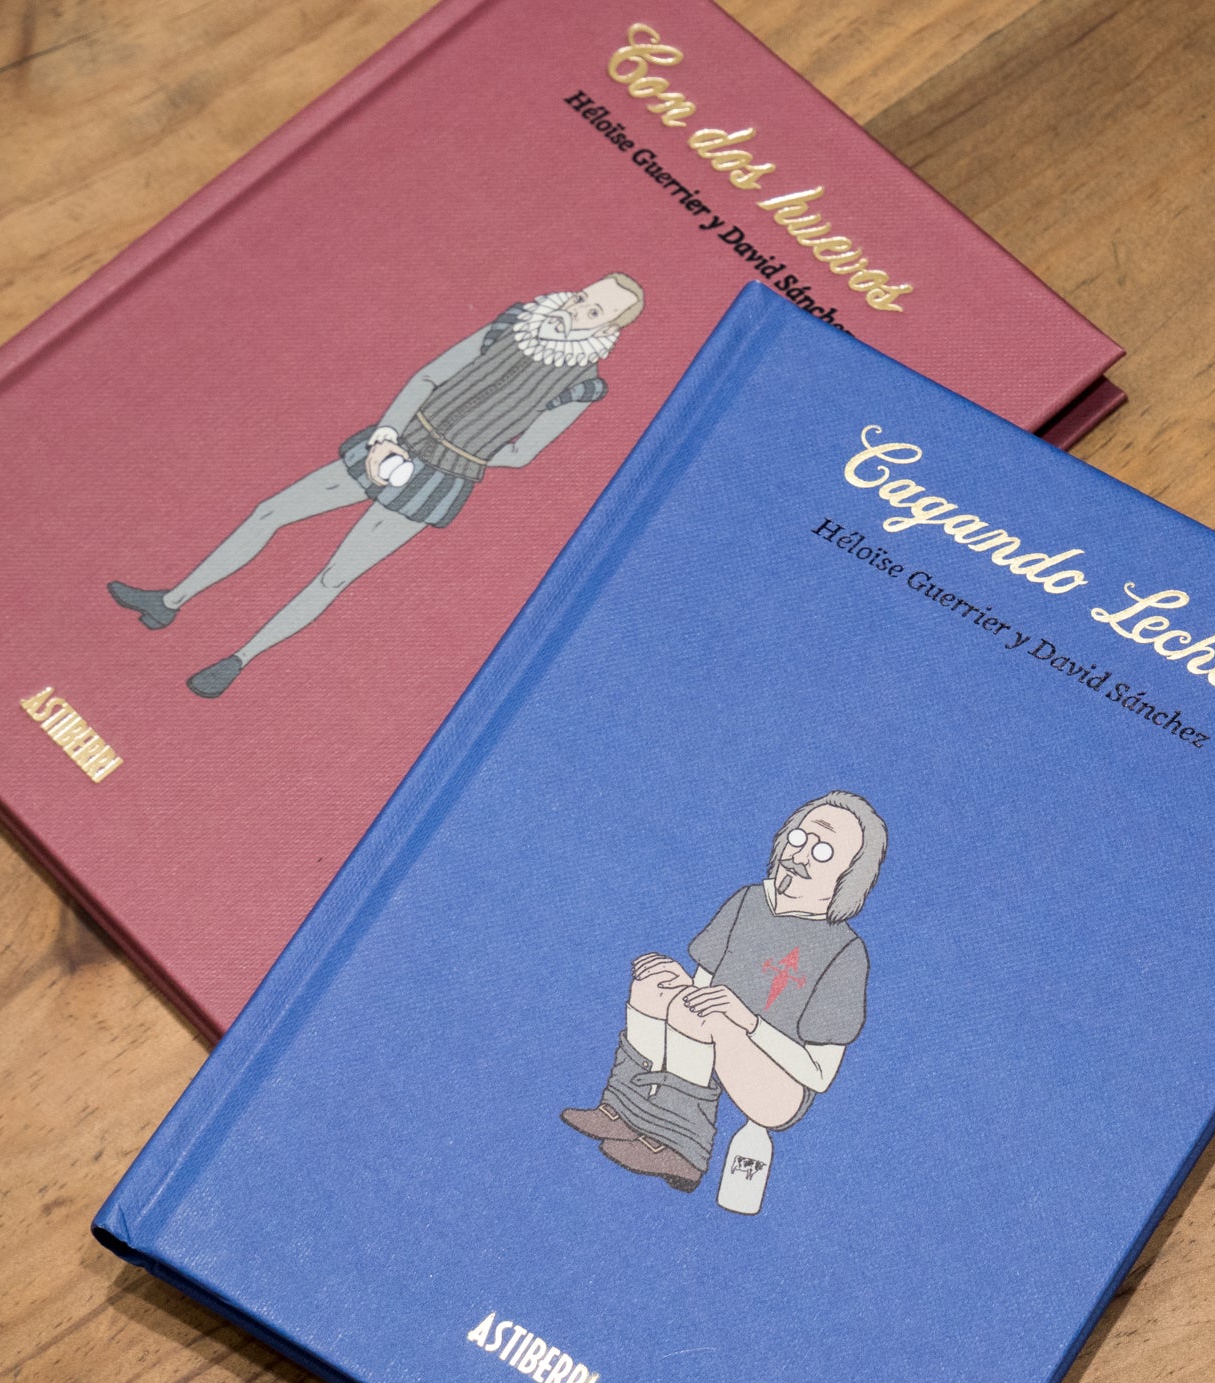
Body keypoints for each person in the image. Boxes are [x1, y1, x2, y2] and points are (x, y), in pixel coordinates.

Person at [106, 275, 644, 697]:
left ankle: (237, 661)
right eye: (582, 297)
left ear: (611, 328)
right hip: (396, 440)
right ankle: (169, 600)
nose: (578, 309)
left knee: (334, 575)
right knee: (271, 512)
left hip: (438, 480)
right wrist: (387, 436)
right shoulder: (513, 323)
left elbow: (523, 453)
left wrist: (464, 455)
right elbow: (429, 375)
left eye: (594, 311)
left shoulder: (582, 385)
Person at [562, 791, 887, 1207]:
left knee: (708, 1019)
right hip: (711, 1045)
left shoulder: (845, 951)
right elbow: (700, 993)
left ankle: (683, 1151)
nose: (801, 853)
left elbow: (819, 1075)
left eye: (823, 850)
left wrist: (748, 1023)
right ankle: (624, 1112)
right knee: (654, 986)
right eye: (800, 837)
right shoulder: (749, 901)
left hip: (779, 1088)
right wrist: (678, 982)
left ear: (850, 875)